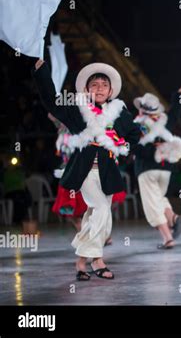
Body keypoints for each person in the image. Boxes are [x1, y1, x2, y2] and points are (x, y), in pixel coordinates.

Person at [33, 59, 141, 280]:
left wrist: (123, 146)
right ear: (86, 89)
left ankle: (81, 263)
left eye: (104, 84)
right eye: (94, 84)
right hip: (84, 171)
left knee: (97, 217)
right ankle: (98, 261)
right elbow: (52, 103)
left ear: (111, 91)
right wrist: (41, 72)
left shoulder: (120, 113)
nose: (99, 88)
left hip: (108, 171)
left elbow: (134, 134)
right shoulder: (77, 110)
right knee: (101, 209)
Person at [133, 90, 181, 249]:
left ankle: (168, 238)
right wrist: (178, 94)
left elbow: (136, 148)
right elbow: (176, 111)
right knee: (158, 198)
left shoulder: (138, 125)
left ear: (141, 109)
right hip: (166, 168)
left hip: (147, 169)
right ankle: (173, 217)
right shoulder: (165, 121)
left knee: (151, 204)